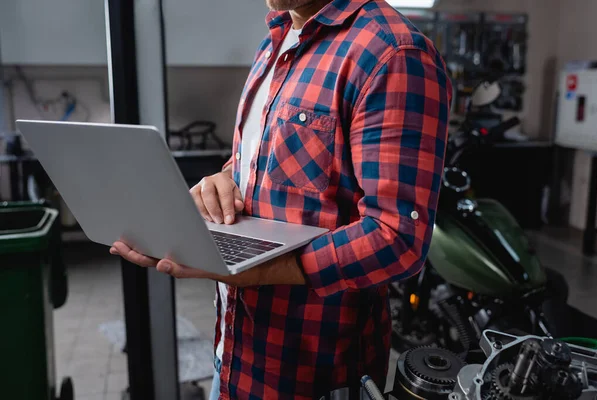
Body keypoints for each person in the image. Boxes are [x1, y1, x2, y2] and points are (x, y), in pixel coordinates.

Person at [109, 0, 452, 398]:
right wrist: (222, 181)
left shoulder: (393, 54)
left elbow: (398, 238)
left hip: (312, 376)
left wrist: (263, 271)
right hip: (236, 355)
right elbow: (260, 161)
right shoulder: (274, 43)